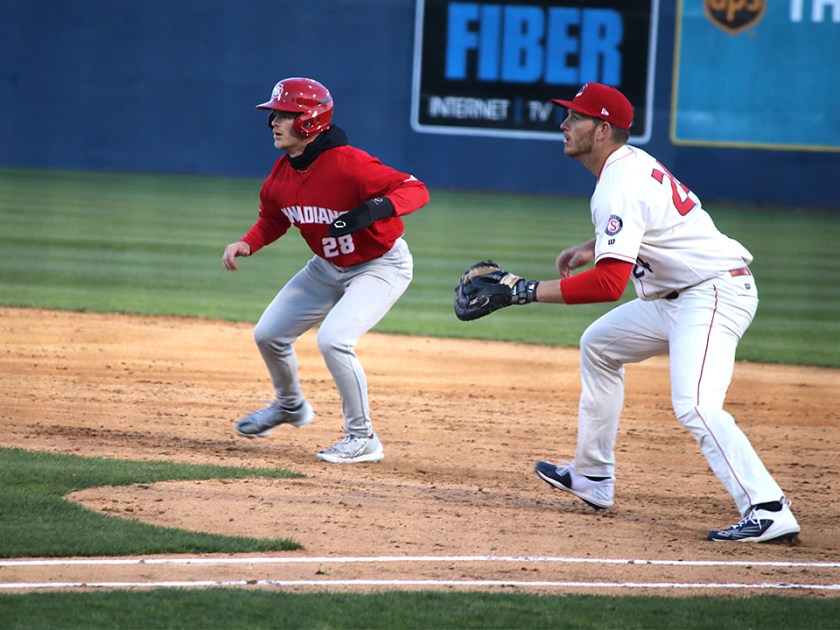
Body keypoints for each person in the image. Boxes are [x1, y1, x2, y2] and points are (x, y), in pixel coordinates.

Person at [462, 82, 799, 542]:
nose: (563, 124)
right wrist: (591, 246)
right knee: (599, 346)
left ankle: (768, 507)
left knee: (697, 405)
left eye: (574, 118)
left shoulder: (617, 183)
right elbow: (656, 222)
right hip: (674, 297)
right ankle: (592, 477)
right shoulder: (630, 163)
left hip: (712, 294)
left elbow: (608, 284)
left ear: (602, 130)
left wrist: (524, 290)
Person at [222, 77, 429, 464]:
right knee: (268, 334)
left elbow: (416, 188)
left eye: (285, 115)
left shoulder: (351, 164)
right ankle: (289, 406)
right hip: (326, 267)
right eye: (274, 115)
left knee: (334, 339)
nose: (274, 122)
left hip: (380, 265)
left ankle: (362, 437)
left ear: (310, 122)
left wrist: (373, 209)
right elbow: (273, 218)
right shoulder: (281, 174)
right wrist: (248, 241)